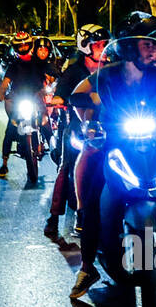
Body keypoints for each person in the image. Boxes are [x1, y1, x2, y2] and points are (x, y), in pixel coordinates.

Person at [67, 14, 156, 300]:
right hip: (115, 144)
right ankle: (87, 267)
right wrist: (90, 122)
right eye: (149, 45)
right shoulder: (106, 75)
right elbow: (77, 95)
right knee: (93, 195)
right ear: (131, 47)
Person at [43, 23, 109, 244]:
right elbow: (61, 94)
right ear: (85, 46)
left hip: (110, 125)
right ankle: (54, 217)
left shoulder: (112, 69)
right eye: (98, 45)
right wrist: (61, 99)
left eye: (105, 44)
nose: (103, 49)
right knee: (68, 163)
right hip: (78, 126)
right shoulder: (74, 72)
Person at [0, 30, 56, 180]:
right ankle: (4, 163)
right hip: (19, 100)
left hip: (37, 99)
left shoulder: (39, 63)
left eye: (25, 45)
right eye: (19, 46)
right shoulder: (14, 65)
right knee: (10, 130)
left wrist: (49, 86)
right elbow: (5, 83)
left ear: (30, 45)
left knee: (47, 127)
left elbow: (52, 77)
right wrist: (1, 95)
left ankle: (58, 156)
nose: (23, 48)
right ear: (15, 48)